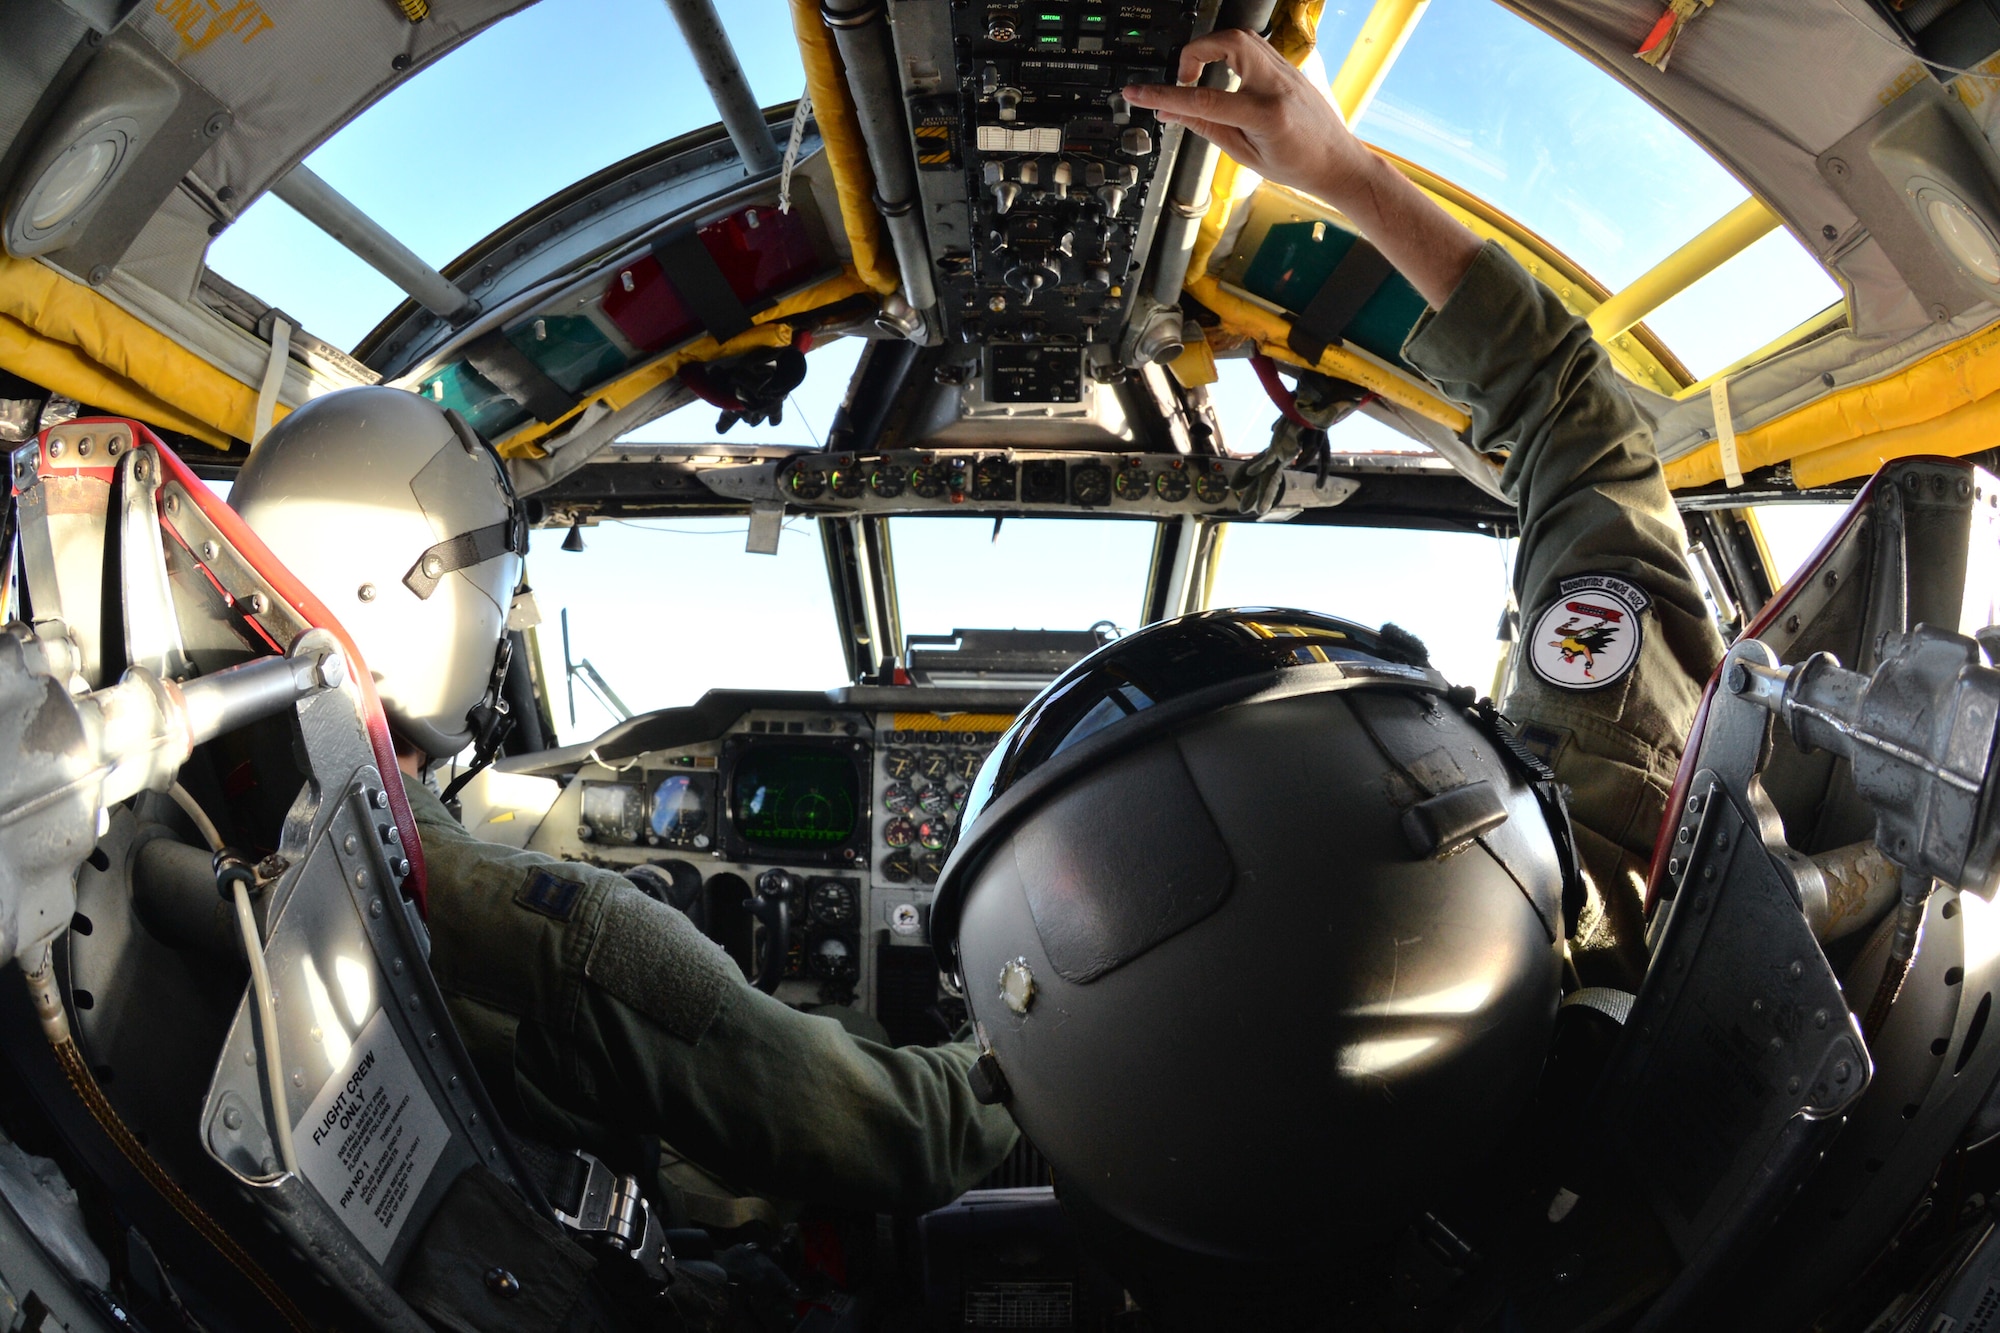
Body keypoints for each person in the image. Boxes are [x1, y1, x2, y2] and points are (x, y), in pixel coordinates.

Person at [229, 386, 1019, 1230]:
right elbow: (919, 1137)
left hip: (512, 1195)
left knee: (848, 1025)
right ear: (418, 608)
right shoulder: (578, 934)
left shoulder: (238, 821)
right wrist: (1014, 1042)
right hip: (639, 1253)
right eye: (494, 604)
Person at [1126, 31, 1725, 987]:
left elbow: (1570, 416)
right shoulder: (1580, 923)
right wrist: (1345, 173)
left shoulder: (996, 1130)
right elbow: (1572, 414)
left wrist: (1349, 175)